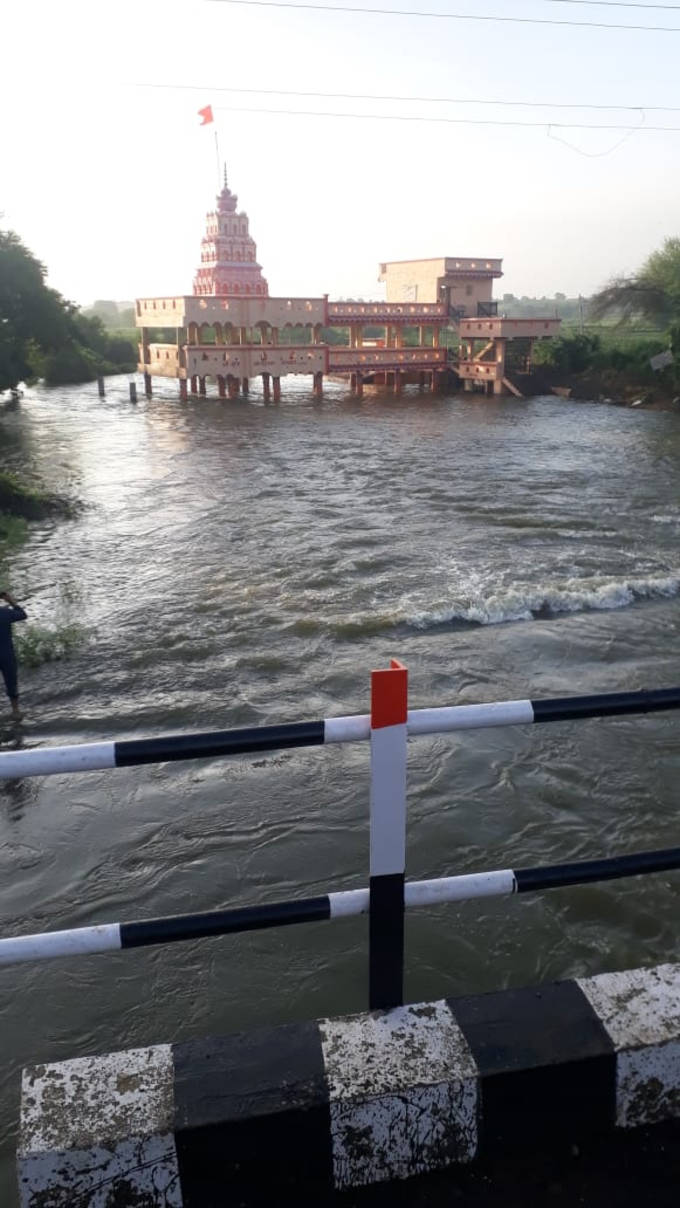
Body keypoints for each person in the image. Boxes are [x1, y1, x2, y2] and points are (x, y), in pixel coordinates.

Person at [0, 590, 27, 720]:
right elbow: (22, 615)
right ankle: (15, 711)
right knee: (11, 681)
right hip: (6, 654)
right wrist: (11, 602)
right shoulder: (5, 613)